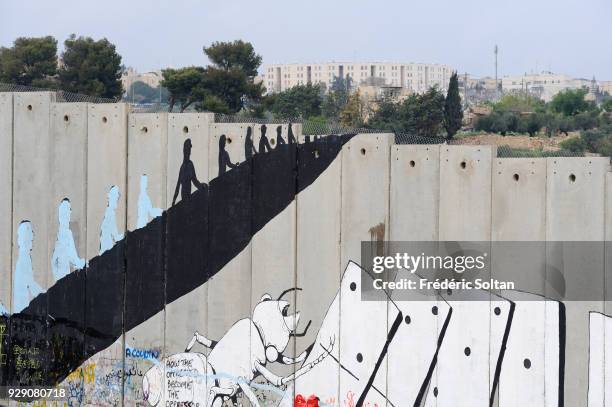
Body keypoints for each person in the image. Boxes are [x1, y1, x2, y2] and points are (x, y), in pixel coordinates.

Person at [51, 199, 86, 282]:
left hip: (65, 275)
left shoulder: (67, 233)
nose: (70, 212)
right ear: (61, 214)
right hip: (61, 277)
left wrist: (81, 262)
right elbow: (70, 256)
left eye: (69, 209)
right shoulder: (62, 234)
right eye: (67, 209)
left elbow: (72, 257)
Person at [13, 221, 43, 313]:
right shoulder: (24, 259)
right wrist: (45, 293)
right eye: (30, 231)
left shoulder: (25, 257)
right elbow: (31, 284)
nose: (33, 235)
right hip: (22, 308)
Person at [172, 138, 207, 205]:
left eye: (189, 150)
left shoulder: (189, 165)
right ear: (184, 150)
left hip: (188, 198)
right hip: (185, 199)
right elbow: (178, 186)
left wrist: (201, 187)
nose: (189, 152)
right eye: (187, 149)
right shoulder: (182, 167)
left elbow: (194, 180)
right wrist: (173, 202)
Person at [100, 185, 124, 255]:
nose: (117, 199)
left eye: (117, 197)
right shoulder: (110, 213)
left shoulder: (108, 212)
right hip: (106, 252)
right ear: (110, 197)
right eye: (115, 197)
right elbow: (116, 237)